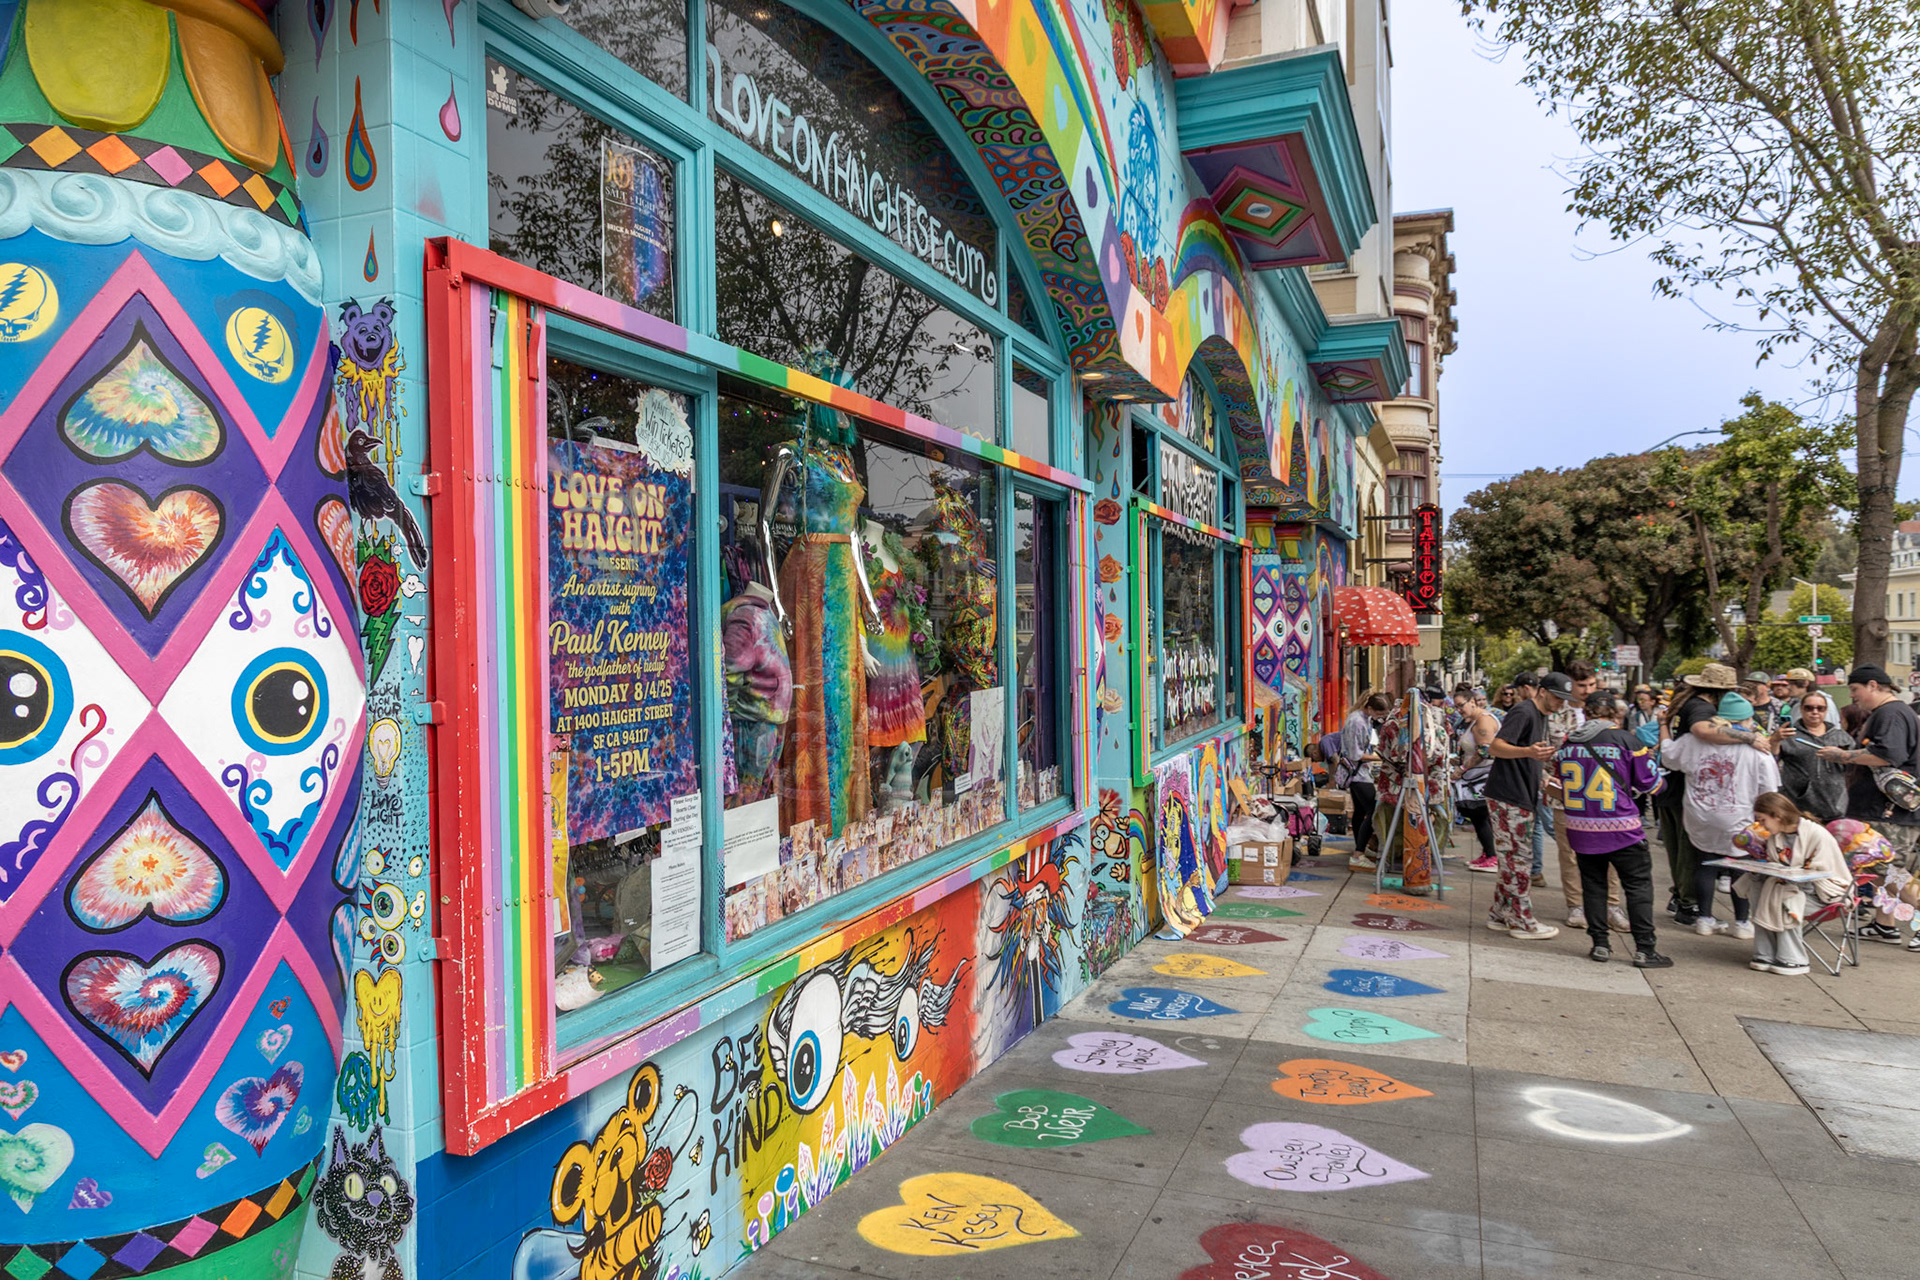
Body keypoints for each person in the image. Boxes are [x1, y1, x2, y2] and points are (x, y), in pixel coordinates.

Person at [1555, 691, 1671, 967]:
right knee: (1638, 886)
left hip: (1580, 828)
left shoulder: (1568, 743)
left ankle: (1600, 945)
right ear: (1615, 714)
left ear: (1588, 712)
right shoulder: (1627, 740)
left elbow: (1561, 780)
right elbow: (1649, 785)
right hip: (1622, 829)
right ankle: (1645, 949)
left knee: (1593, 887)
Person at [1817, 664, 1920, 950]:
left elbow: (1888, 754)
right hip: (1886, 810)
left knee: (1889, 870)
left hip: (1887, 812)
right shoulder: (1893, 713)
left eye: (1855, 690)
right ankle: (1885, 925)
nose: (1853, 697)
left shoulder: (1891, 713)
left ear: (1873, 685)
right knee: (1880, 870)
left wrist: (1843, 756)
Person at [1653, 663, 1765, 925]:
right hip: (1687, 792)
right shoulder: (1701, 708)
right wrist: (1747, 737)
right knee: (1693, 856)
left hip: (1675, 785)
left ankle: (1684, 900)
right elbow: (1702, 731)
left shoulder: (1687, 703)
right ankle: (1688, 904)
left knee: (1686, 854)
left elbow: (1670, 750)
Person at [1483, 671, 1569, 940]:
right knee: (1519, 860)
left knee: (1513, 858)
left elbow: (1526, 754)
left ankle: (1500, 912)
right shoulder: (1524, 711)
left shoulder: (1539, 715)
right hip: (1509, 795)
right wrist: (1529, 753)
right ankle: (1521, 919)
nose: (1561, 703)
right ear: (1542, 691)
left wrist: (1542, 775)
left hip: (1518, 793)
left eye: (1564, 699)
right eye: (1557, 697)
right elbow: (1495, 747)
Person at [1545, 660, 1628, 931]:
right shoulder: (1557, 713)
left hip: (1605, 795)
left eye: (1591, 684)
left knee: (1611, 852)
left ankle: (1612, 905)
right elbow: (1546, 751)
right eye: (1581, 685)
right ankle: (1576, 905)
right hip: (1567, 794)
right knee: (1569, 854)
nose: (1587, 690)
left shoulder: (1611, 710)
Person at [1729, 793, 1850, 976]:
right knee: (1758, 888)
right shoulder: (1776, 836)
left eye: (1763, 820)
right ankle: (1765, 953)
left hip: (1823, 892)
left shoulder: (1817, 834)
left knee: (1784, 897)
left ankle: (1794, 958)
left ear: (1777, 815)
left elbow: (1824, 872)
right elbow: (1775, 862)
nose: (1761, 826)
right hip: (1791, 886)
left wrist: (1787, 873)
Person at [1774, 689, 1853, 821]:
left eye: (1820, 708)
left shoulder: (1841, 737)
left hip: (1835, 807)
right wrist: (1775, 740)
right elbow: (1772, 759)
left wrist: (1843, 757)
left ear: (1826, 710)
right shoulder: (1789, 735)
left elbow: (1854, 767)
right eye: (1809, 708)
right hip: (1799, 808)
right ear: (1801, 709)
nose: (1815, 712)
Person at [1338, 693, 1390, 866]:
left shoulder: (1364, 719)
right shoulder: (1357, 722)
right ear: (1370, 708)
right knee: (1372, 811)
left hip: (1359, 772)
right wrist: (1379, 758)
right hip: (1357, 774)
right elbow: (1355, 754)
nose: (1380, 718)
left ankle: (1359, 848)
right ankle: (1358, 853)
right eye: (1379, 714)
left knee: (1360, 811)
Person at [1454, 685, 1499, 872]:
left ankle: (1492, 856)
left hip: (1484, 776)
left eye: (1461, 706)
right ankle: (1487, 853)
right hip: (1475, 776)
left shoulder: (1484, 722)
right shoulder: (1473, 721)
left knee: (1480, 814)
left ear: (1472, 702)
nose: (1458, 710)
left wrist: (1462, 769)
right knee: (1478, 816)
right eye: (1455, 707)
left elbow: (1484, 751)